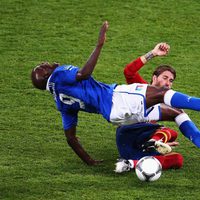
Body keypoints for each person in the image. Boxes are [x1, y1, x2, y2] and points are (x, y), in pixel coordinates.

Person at [31, 21, 200, 166]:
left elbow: (71, 138)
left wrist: (89, 161)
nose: (45, 63)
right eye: (42, 66)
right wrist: (99, 45)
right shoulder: (59, 74)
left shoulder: (61, 102)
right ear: (46, 75)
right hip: (116, 100)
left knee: (177, 112)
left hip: (115, 116)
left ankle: (134, 161)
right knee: (165, 94)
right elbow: (84, 74)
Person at [115, 43, 183, 172]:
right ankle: (152, 143)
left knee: (177, 158)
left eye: (171, 80)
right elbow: (129, 72)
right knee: (165, 131)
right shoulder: (142, 89)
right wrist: (153, 53)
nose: (168, 83)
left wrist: (161, 142)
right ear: (154, 78)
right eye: (165, 78)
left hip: (139, 143)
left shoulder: (167, 103)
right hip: (128, 134)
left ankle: (130, 163)